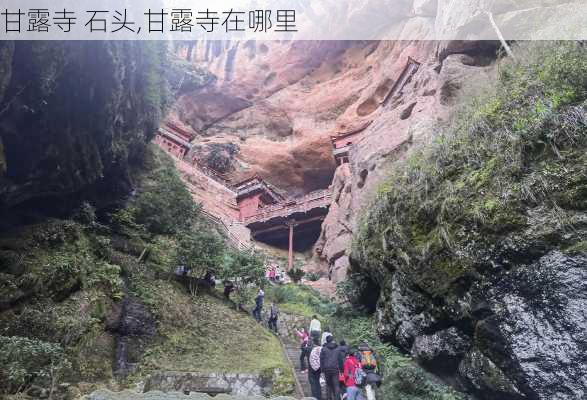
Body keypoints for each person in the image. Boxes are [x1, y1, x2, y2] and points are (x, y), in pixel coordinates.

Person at [319, 336, 340, 400]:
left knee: (328, 385)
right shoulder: (337, 349)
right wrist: (341, 369)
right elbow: (340, 360)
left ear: (326, 341)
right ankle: (337, 398)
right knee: (336, 385)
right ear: (332, 340)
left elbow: (321, 360)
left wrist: (322, 370)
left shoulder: (324, 349)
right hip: (335, 369)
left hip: (326, 369)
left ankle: (329, 398)